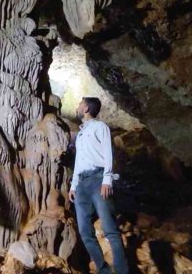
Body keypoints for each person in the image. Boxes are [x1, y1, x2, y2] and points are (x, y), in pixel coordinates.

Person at [68, 97, 128, 274]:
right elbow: (79, 161)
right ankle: (104, 270)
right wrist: (74, 185)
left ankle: (122, 271)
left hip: (98, 179)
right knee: (85, 232)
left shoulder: (100, 127)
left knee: (110, 230)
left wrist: (107, 179)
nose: (78, 106)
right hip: (82, 185)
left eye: (80, 103)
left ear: (86, 108)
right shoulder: (80, 134)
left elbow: (108, 153)